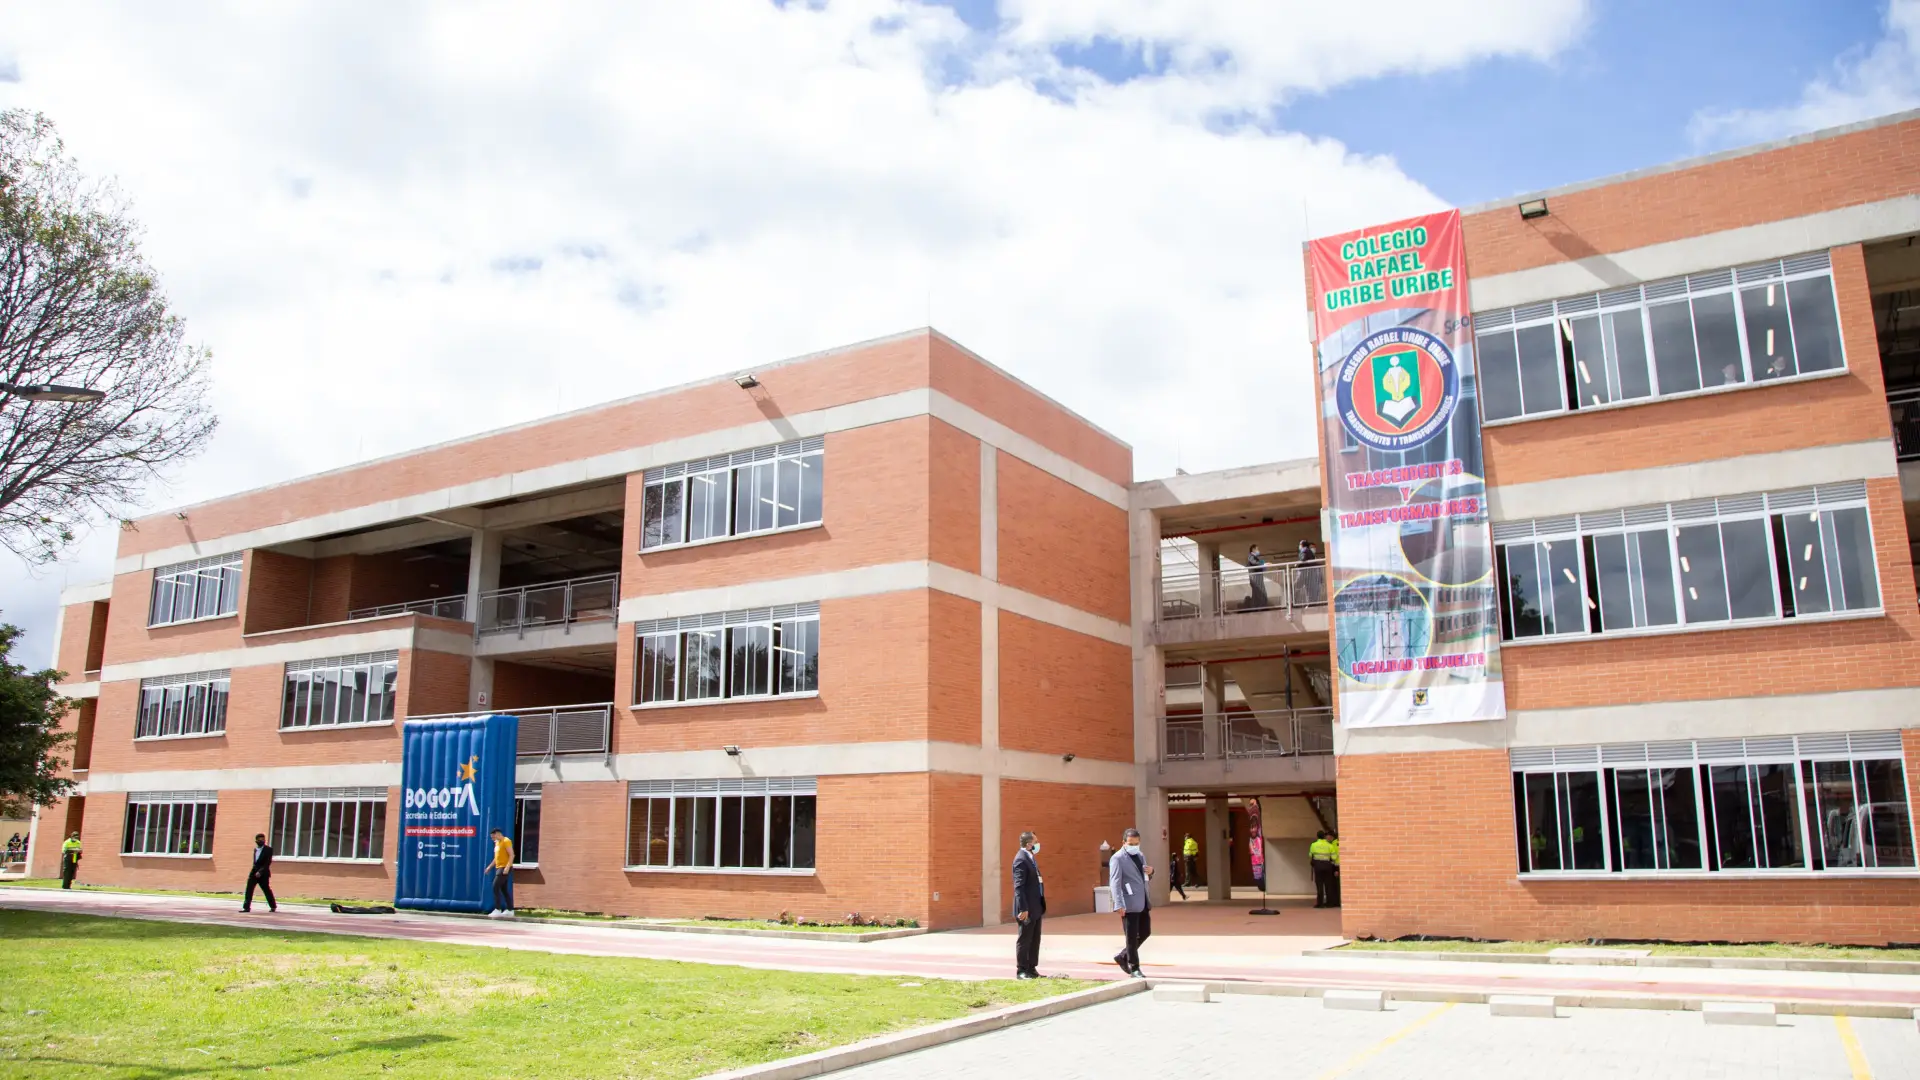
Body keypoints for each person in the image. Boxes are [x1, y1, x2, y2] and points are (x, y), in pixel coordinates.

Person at [1108, 827, 1153, 978]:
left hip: (1143, 901)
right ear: (1124, 843)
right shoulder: (1117, 858)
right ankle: (1135, 968)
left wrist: (1151, 872)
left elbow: (1143, 877)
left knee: (1145, 932)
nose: (1134, 846)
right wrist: (1119, 903)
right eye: (1131, 843)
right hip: (1128, 903)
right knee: (1131, 936)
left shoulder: (1140, 855)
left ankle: (1123, 956)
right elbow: (1115, 882)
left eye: (1136, 843)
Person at [1010, 831, 1046, 979]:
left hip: (1035, 906)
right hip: (1026, 908)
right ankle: (1022, 970)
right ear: (1029, 844)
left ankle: (1032, 968)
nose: (1038, 844)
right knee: (1025, 939)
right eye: (1036, 842)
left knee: (1035, 939)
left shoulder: (1030, 858)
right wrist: (1023, 908)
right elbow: (1019, 886)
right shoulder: (1021, 859)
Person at [241, 833, 278, 913]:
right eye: (260, 840)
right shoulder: (255, 850)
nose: (262, 841)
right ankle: (246, 907)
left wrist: (260, 872)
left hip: (263, 873)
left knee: (266, 889)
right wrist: (255, 871)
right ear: (256, 841)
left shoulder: (268, 850)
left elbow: (267, 863)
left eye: (263, 840)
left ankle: (273, 906)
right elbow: (255, 862)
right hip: (254, 872)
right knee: (249, 889)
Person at [485, 827, 515, 918]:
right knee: (503, 889)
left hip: (504, 867)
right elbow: (496, 858)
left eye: (493, 837)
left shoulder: (506, 841)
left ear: (498, 834)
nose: (492, 839)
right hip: (499, 867)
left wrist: (507, 867)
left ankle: (497, 909)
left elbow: (511, 855)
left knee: (495, 886)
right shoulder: (497, 843)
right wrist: (489, 867)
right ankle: (510, 910)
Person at [1309, 830, 1337, 909]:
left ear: (1317, 836)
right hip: (1327, 866)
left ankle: (1320, 903)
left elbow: (1310, 855)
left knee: (1319, 885)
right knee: (1328, 885)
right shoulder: (1329, 845)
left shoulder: (1313, 845)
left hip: (1318, 866)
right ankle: (1329, 903)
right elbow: (1334, 857)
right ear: (1324, 836)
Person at [1245, 544, 1269, 610]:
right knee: (1260, 593)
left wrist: (1263, 565)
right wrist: (1263, 564)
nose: (1258, 551)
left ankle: (1257, 607)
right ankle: (1261, 607)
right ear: (1253, 550)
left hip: (1257, 577)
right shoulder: (1251, 556)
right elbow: (1254, 563)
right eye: (1257, 549)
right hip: (1255, 578)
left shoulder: (1254, 557)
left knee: (1257, 594)